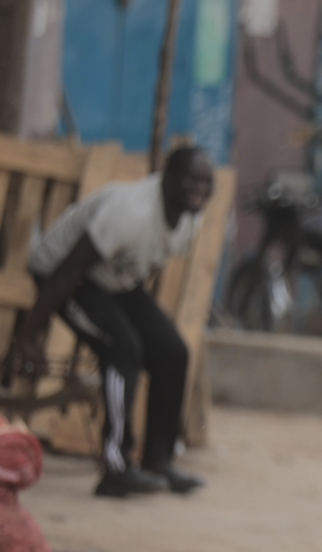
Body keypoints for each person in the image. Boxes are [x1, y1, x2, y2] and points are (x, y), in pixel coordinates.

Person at [13, 146, 213, 498]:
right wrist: (30, 336)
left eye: (206, 182)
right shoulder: (130, 212)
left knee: (172, 351)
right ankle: (115, 466)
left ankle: (158, 460)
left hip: (113, 282)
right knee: (123, 349)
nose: (199, 189)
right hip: (64, 277)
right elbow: (69, 270)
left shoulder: (191, 216)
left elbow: (143, 263)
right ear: (167, 178)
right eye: (191, 179)